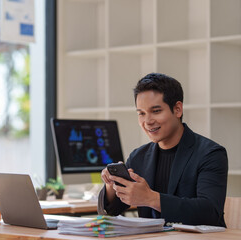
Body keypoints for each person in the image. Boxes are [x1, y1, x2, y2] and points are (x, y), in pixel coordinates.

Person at [97, 73, 228, 227]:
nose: (148, 121)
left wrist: (150, 198)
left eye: (156, 111)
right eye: (141, 113)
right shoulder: (139, 157)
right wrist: (111, 185)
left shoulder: (210, 154)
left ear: (177, 109)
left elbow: (210, 212)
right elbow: (111, 211)